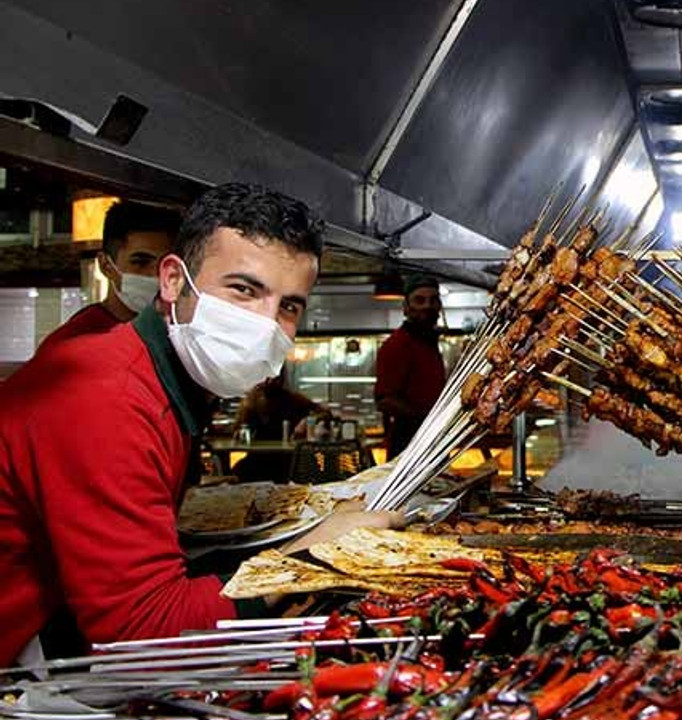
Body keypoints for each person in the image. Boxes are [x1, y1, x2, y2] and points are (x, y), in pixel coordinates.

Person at [0, 183, 401, 664]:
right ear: (172, 281)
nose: (265, 322)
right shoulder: (108, 397)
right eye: (243, 289)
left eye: (289, 306)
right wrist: (305, 556)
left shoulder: (162, 379)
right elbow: (140, 631)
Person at [39, 201, 180, 352]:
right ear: (106, 265)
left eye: (166, 264)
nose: (156, 275)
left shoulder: (177, 338)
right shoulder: (70, 345)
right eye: (140, 262)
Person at [375, 275, 446, 459]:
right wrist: (425, 418)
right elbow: (384, 400)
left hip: (432, 440)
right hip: (409, 444)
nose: (427, 306)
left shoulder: (428, 342)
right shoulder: (398, 344)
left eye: (433, 300)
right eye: (419, 300)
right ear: (406, 308)